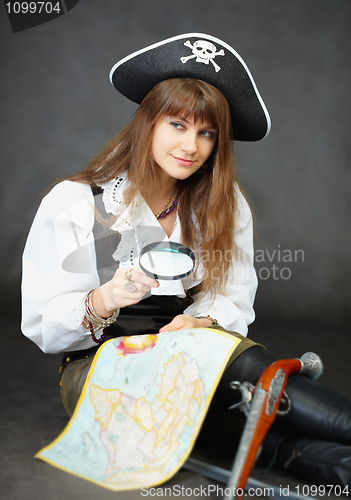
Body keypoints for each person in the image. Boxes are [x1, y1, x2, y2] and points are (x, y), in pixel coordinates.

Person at [21, 33, 351, 487]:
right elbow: (43, 324)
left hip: (195, 357)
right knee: (226, 408)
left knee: (228, 369)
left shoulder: (222, 203)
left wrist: (199, 326)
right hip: (101, 369)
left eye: (206, 132)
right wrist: (102, 299)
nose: (191, 146)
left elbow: (232, 299)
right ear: (148, 122)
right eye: (177, 125)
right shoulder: (77, 202)